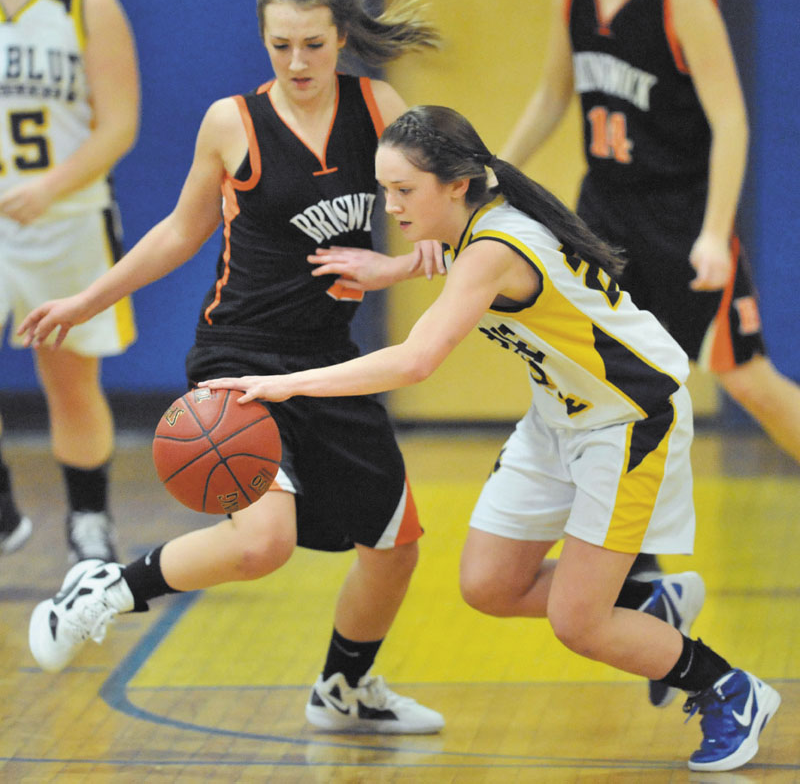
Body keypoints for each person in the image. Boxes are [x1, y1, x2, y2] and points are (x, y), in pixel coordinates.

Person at [191, 105, 778, 772]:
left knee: (577, 622)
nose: (390, 205)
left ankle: (728, 689)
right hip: (559, 417)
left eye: (404, 191)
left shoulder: (496, 246)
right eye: (385, 189)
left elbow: (414, 361)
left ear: (457, 185)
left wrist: (288, 385)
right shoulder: (476, 225)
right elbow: (445, 260)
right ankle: (646, 600)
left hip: (628, 418)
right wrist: (392, 270)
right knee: (489, 584)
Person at [20, 0, 446, 734]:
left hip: (333, 362)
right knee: (262, 543)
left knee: (395, 548)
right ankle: (105, 590)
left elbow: (440, 220)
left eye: (313, 44)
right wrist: (88, 297)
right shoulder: (232, 122)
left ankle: (343, 690)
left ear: (342, 37)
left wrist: (387, 266)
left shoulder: (378, 107)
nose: (296, 62)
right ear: (263, 39)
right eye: (279, 44)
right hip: (240, 356)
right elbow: (182, 232)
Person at [500, 0, 800, 583]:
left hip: (682, 220)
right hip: (603, 220)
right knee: (609, 387)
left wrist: (716, 232)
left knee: (747, 380)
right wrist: (495, 172)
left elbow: (731, 120)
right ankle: (638, 561)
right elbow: (554, 96)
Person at [0, 0, 139, 562]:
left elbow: (119, 125)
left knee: (71, 382)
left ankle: (89, 521)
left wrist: (50, 187)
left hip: (68, 219)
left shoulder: (88, 0)